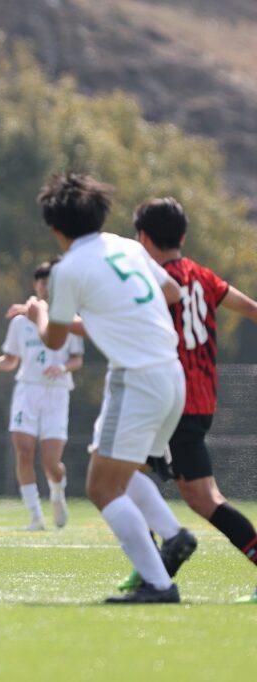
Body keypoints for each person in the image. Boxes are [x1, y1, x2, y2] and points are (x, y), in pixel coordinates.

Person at [26, 172, 191, 604]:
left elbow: (55, 340)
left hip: (134, 379)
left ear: (56, 228)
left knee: (102, 488)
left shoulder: (67, 270)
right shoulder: (129, 245)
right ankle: (173, 535)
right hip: (172, 374)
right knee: (112, 464)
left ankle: (158, 583)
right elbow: (172, 291)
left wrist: (37, 313)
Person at [115, 197, 257, 603]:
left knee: (122, 474)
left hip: (167, 399)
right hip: (200, 398)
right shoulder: (202, 275)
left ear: (143, 237)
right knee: (136, 473)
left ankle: (157, 566)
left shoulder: (154, 280)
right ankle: (155, 565)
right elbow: (248, 308)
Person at [0, 259, 83, 530]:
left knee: (51, 462)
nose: (45, 285)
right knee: (24, 452)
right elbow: (12, 361)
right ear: (35, 284)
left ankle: (58, 492)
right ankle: (35, 517)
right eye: (41, 280)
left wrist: (61, 367)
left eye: (51, 280)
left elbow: (76, 359)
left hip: (57, 392)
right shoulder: (19, 322)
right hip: (28, 390)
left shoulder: (68, 317)